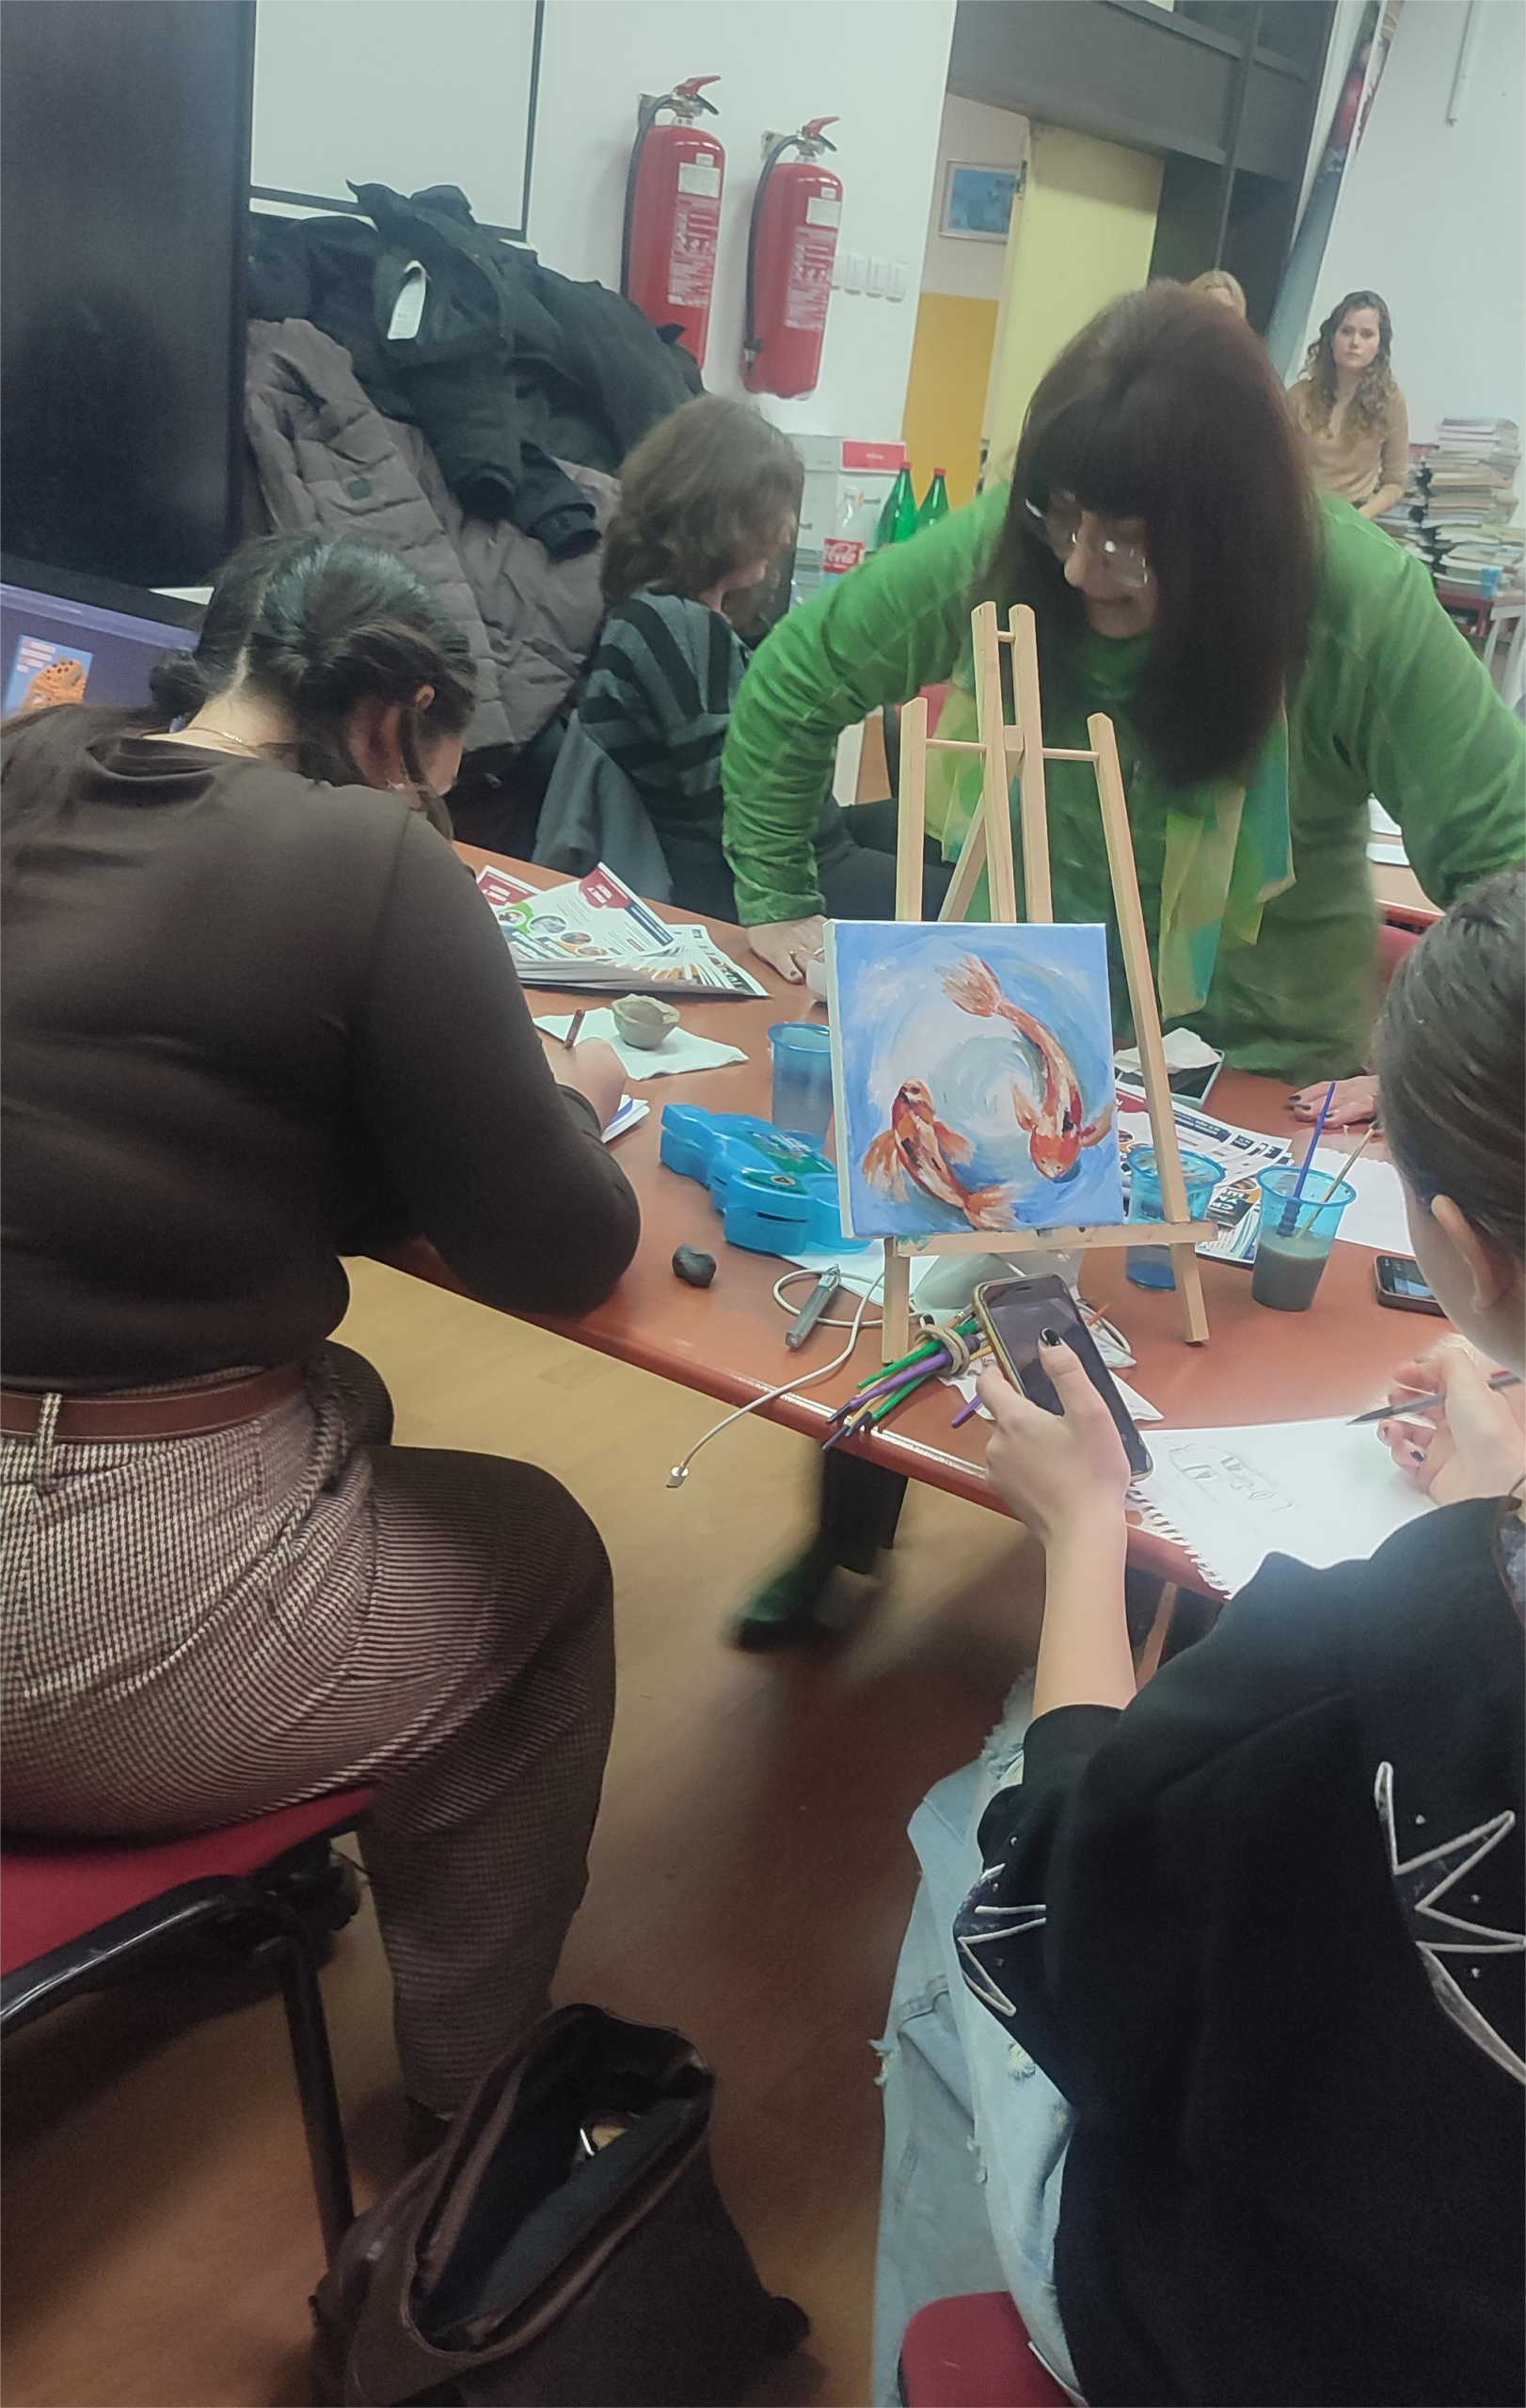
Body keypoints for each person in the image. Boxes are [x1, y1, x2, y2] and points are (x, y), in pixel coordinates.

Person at [722, 282, 1526, 1643]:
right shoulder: (1012, 556)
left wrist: (1440, 1072)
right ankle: (847, 1536)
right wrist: (777, 898)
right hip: (1013, 1025)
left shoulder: (1354, 604)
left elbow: (1500, 862)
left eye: (1134, 546)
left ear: (1230, 532)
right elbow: (796, 681)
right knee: (921, 1271)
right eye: (1065, 520)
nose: (1087, 570)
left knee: (1213, 1400)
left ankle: (1156, 1648)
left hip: (1266, 1067)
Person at [0, 529, 640, 2121]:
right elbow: (562, 1250)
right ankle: (479, 2101)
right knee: (545, 1559)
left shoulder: (27, 768)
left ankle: (240, 1865)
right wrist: (571, 1095)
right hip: (63, 1595)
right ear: (390, 720)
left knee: (336, 1391)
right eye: (442, 772)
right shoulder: (369, 858)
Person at [875, 867, 1526, 2408]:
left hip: (1290, 2341)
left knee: (966, 1838)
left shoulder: (1356, 1663)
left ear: (1461, 1249)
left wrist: (1081, 1528)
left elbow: (1061, 1888)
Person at [579, 393, 946, 920]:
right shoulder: (672, 624)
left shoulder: (674, 617)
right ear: (716, 512)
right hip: (747, 875)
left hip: (806, 843)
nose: (786, 533)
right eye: (771, 513)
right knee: (982, 903)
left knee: (951, 837)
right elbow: (739, 804)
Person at [1287, 288, 1409, 522]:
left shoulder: (1391, 401)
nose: (1355, 342)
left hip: (1355, 517)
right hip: (1299, 514)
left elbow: (1395, 482)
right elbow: (1274, 462)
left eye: (1367, 334)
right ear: (1332, 338)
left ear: (1379, 345)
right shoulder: (1299, 395)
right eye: (1346, 331)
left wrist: (1360, 517)